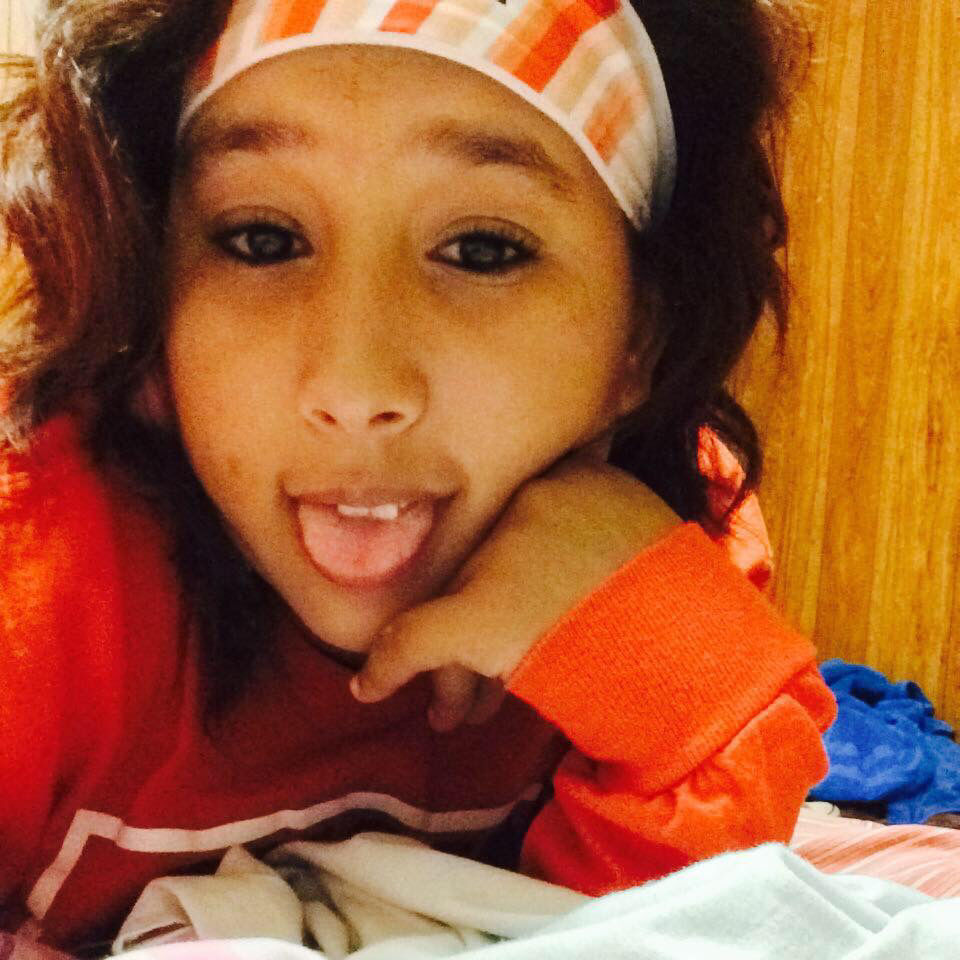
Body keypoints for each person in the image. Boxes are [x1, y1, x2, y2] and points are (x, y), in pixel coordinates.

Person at [0, 0, 836, 953]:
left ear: (640, 336)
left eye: (482, 251)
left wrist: (665, 674)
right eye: (263, 240)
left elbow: (660, 928)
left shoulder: (659, 556)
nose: (356, 388)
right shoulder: (39, 565)